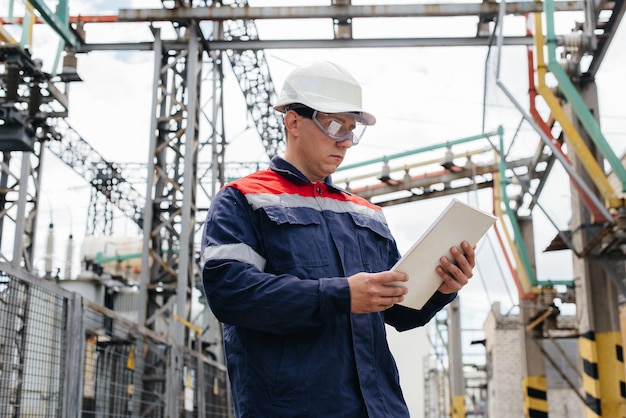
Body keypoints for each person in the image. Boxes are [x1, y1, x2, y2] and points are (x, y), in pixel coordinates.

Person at [200, 61, 476, 417]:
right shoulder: (242, 199)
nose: (345, 141)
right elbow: (231, 293)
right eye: (333, 125)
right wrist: (340, 295)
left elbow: (399, 314)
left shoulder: (366, 213)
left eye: (351, 129)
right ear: (293, 121)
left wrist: (442, 287)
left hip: (381, 409)